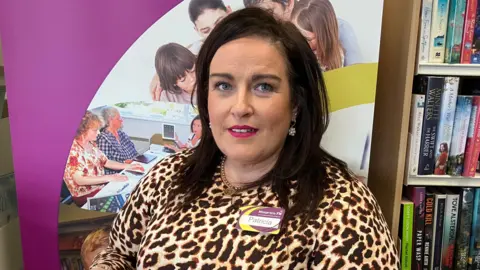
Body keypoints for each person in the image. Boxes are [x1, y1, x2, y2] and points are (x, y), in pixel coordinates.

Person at [91, 7, 399, 269]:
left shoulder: (341, 207)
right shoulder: (168, 177)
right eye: (223, 86)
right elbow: (119, 253)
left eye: (264, 86)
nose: (240, 107)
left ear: (296, 103)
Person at [150, 0, 232, 101]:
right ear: (197, 30)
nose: (216, 33)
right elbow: (180, 56)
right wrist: (159, 77)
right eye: (206, 31)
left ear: (229, 11)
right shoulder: (200, 50)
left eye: (220, 22)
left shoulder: (251, 33)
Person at [244, 0, 363, 66]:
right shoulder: (265, 38)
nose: (267, 21)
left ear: (289, 4)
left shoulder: (340, 29)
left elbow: (356, 74)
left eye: (270, 11)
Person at [63, 111, 144, 207]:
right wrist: (110, 178)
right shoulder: (72, 150)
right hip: (85, 195)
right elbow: (79, 180)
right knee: (128, 203)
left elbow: (106, 162)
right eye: (95, 130)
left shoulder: (91, 143)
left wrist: (129, 166)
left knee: (133, 191)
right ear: (82, 130)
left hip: (100, 187)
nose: (98, 133)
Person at [97, 106, 138, 175]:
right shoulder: (103, 138)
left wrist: (136, 161)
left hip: (132, 167)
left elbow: (134, 152)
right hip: (117, 173)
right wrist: (124, 163)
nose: (122, 120)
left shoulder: (121, 134)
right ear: (110, 120)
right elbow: (105, 163)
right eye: (119, 118)